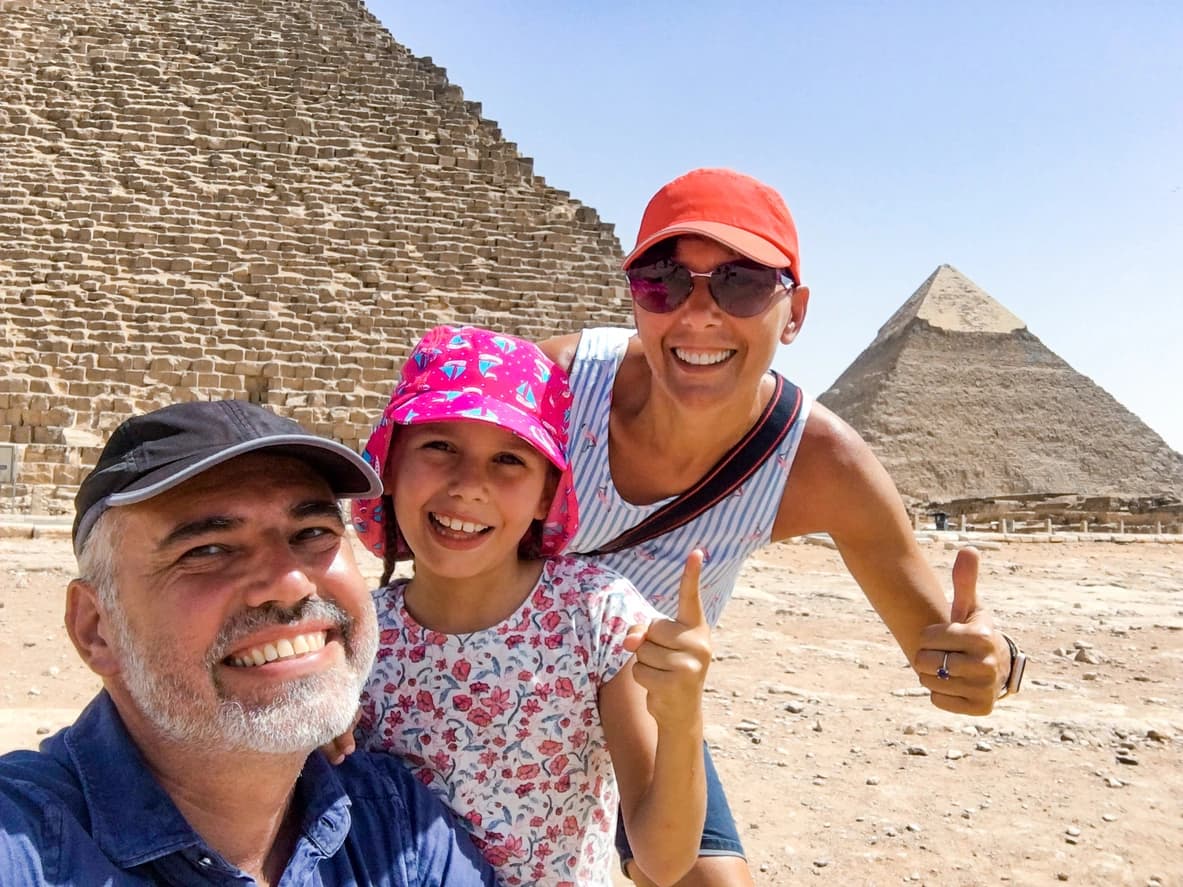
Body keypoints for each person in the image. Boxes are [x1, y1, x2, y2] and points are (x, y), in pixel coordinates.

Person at [540, 167, 1027, 887]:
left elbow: (945, 650)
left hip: (645, 696)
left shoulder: (821, 464)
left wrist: (995, 664)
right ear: (634, 298)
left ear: (793, 312)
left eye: (740, 284)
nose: (698, 313)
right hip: (487, 671)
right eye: (663, 282)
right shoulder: (548, 387)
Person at [0, 400, 496, 886]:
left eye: (313, 531)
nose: (291, 583)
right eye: (208, 549)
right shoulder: (24, 846)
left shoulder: (398, 829)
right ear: (95, 628)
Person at [343, 325, 711, 886]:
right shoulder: (355, 638)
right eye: (440, 447)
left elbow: (663, 862)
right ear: (389, 466)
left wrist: (682, 719)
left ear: (546, 494)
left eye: (509, 459)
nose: (469, 485)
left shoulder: (596, 617)